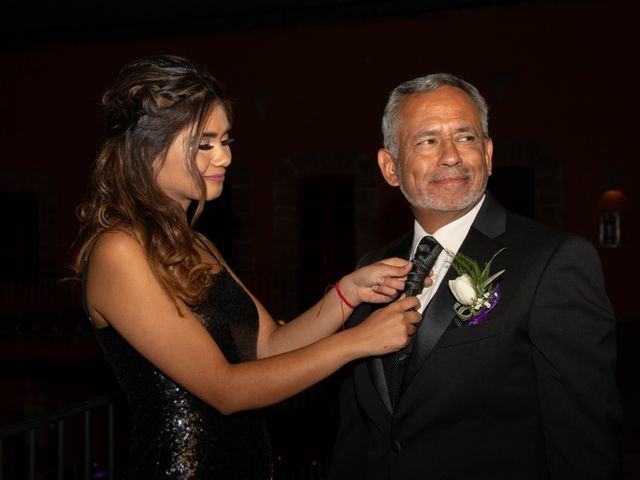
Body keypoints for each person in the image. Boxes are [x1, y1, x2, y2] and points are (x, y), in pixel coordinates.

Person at [71, 55, 426, 479]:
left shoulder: (198, 244)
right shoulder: (119, 251)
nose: (223, 157)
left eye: (226, 141)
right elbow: (227, 390)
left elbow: (270, 346)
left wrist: (349, 293)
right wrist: (359, 342)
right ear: (148, 148)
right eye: (204, 144)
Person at [331, 73, 622, 480]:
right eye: (427, 140)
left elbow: (585, 443)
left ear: (487, 154)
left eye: (466, 138)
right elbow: (359, 432)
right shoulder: (370, 270)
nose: (451, 156)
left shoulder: (553, 262)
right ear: (390, 167)